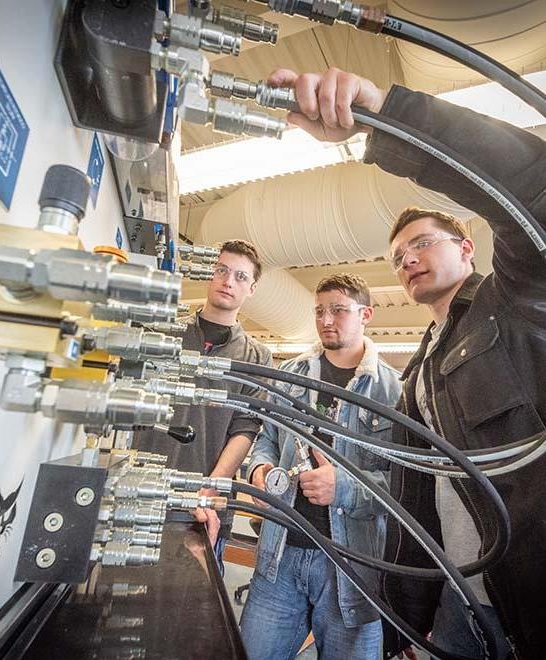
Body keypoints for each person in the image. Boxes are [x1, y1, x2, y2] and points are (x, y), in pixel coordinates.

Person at [274, 66, 546, 659]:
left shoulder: (520, 302)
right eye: (398, 256)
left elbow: (535, 189)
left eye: (423, 243)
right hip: (461, 606)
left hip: (531, 606)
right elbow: (416, 498)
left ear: (466, 248)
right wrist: (408, 612)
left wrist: (392, 117)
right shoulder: (421, 370)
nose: (408, 260)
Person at [239, 273, 401, 660]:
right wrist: (259, 471)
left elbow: (403, 486)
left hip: (351, 569)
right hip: (279, 558)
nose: (327, 320)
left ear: (366, 314)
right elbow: (266, 440)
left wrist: (342, 487)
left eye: (339, 310)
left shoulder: (393, 390)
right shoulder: (290, 375)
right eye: (320, 311)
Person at [132, 239, 273, 557]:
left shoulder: (257, 357)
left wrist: (212, 486)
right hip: (141, 492)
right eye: (222, 270)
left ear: (251, 288)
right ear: (210, 273)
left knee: (194, 601)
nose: (228, 281)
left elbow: (245, 429)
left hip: (203, 509)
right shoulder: (164, 333)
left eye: (240, 276)